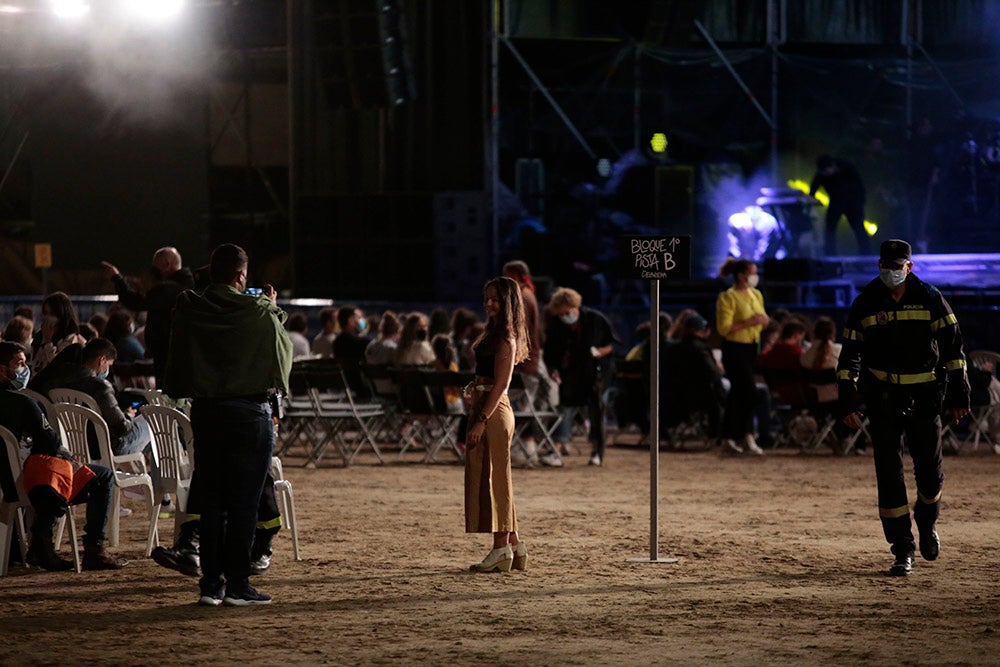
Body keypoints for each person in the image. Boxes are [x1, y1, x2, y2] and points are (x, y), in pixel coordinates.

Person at [164, 243, 292, 607]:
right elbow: (281, 362)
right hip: (249, 415)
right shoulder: (259, 311)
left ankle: (210, 585)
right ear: (241, 275)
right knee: (244, 504)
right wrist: (272, 306)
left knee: (212, 499)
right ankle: (238, 584)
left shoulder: (191, 308)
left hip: (206, 413)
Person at [837, 239, 970, 577]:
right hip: (883, 396)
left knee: (930, 472)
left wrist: (959, 394)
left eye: (897, 267)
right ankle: (902, 549)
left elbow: (954, 349)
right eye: (886, 265)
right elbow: (850, 352)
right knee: (889, 473)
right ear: (878, 265)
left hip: (925, 394)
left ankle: (927, 522)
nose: (891, 272)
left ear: (909, 267)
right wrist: (849, 398)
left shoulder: (929, 297)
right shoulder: (866, 302)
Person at [0, 341, 126, 570]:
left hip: (5, 479)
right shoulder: (23, 403)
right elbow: (50, 443)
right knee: (102, 476)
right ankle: (92, 548)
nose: (25, 369)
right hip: (23, 482)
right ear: (2, 370)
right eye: (19, 364)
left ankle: (40, 541)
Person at [465, 276, 529, 573]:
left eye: (495, 299)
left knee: (496, 480)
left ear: (508, 302)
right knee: (497, 478)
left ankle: (500, 547)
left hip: (493, 411)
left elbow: (502, 384)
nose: (489, 303)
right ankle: (515, 546)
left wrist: (480, 419)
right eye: (487, 297)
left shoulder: (506, 337)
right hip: (486, 406)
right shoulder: (495, 332)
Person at [543, 286, 619, 466]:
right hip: (570, 374)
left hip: (596, 373)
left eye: (567, 312)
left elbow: (612, 344)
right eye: (562, 314)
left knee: (596, 411)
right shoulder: (557, 324)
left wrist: (600, 352)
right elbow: (551, 352)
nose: (566, 317)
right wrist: (553, 369)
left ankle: (596, 451)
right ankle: (558, 448)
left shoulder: (595, 319)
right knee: (565, 409)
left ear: (575, 306)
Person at [101, 246, 196, 387]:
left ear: (167, 265)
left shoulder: (169, 289)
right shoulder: (189, 286)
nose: (153, 271)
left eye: (155, 266)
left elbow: (137, 302)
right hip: (180, 356)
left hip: (168, 358)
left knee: (168, 402)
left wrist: (117, 279)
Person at [715, 257, 769, 456]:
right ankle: (744, 434)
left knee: (738, 395)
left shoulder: (756, 295)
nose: (755, 276)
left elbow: (761, 320)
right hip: (734, 348)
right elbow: (724, 329)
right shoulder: (728, 297)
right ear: (741, 275)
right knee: (749, 392)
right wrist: (749, 322)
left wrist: (763, 322)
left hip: (751, 347)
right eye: (752, 272)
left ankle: (730, 437)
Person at [809, 154, 870, 255]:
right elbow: (814, 187)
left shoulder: (847, 167)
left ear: (832, 166)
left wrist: (860, 202)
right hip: (835, 201)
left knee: (859, 228)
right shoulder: (821, 173)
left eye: (827, 171)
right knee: (830, 229)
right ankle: (830, 254)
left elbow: (859, 185)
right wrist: (811, 198)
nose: (826, 174)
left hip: (853, 202)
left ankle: (866, 254)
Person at [332, 305, 373, 397]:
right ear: (350, 320)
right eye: (356, 318)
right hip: (362, 385)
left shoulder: (336, 342)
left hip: (345, 384)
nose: (359, 321)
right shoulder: (361, 342)